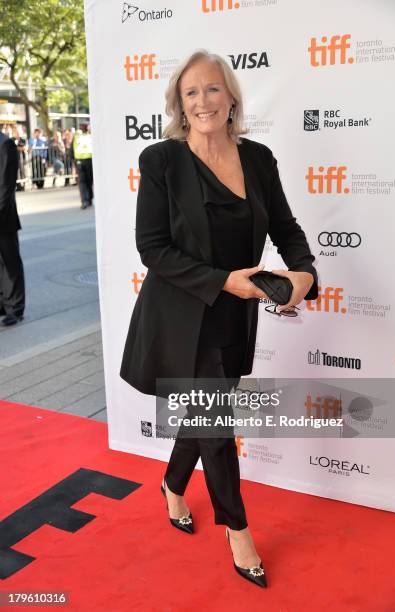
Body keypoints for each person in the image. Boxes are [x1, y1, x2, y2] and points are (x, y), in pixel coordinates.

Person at [119, 50, 318, 588]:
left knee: (206, 412)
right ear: (179, 105)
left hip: (237, 312)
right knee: (215, 422)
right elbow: (152, 248)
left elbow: (285, 227)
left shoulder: (258, 157)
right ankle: (239, 532)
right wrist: (222, 280)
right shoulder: (162, 161)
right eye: (191, 93)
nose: (203, 101)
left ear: (231, 97)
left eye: (212, 89)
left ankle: (172, 485)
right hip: (184, 312)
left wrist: (302, 272)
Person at [0, 128, 25, 326]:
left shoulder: (5, 144)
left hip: (3, 215)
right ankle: (3, 303)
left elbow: (6, 185)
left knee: (10, 262)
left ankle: (15, 308)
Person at [73, 124, 93, 209]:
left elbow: (71, 151)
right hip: (89, 161)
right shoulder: (90, 137)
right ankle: (89, 198)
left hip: (79, 162)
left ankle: (84, 200)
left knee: (82, 183)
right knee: (89, 182)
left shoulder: (77, 138)